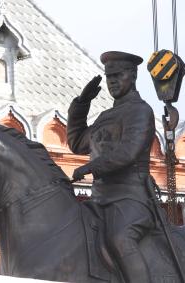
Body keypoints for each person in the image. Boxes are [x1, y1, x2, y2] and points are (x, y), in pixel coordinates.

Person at [67, 51, 156, 283]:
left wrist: (88, 168)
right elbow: (77, 143)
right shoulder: (106, 116)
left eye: (118, 75)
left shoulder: (140, 111)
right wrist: (82, 104)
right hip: (100, 200)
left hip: (130, 198)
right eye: (109, 77)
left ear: (133, 76)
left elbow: (127, 152)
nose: (113, 81)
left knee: (120, 238)